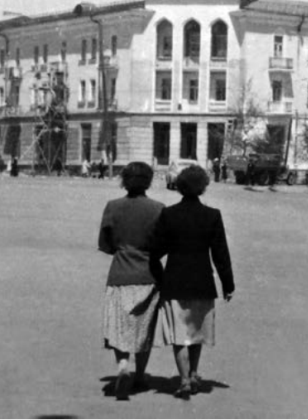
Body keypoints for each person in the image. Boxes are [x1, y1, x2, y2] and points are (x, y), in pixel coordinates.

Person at [152, 165, 235, 400]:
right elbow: (221, 254)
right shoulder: (212, 215)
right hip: (202, 282)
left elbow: (156, 251)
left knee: (179, 334)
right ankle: (194, 373)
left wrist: (159, 278)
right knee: (196, 331)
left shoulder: (169, 214)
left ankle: (184, 380)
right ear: (203, 187)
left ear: (179, 187)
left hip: (175, 282)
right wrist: (228, 285)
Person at [98, 162, 165, 401]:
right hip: (148, 274)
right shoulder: (158, 209)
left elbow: (105, 244)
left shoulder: (112, 206)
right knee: (143, 328)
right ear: (148, 181)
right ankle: (139, 374)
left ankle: (123, 365)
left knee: (119, 326)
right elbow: (163, 244)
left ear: (124, 181)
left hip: (120, 273)